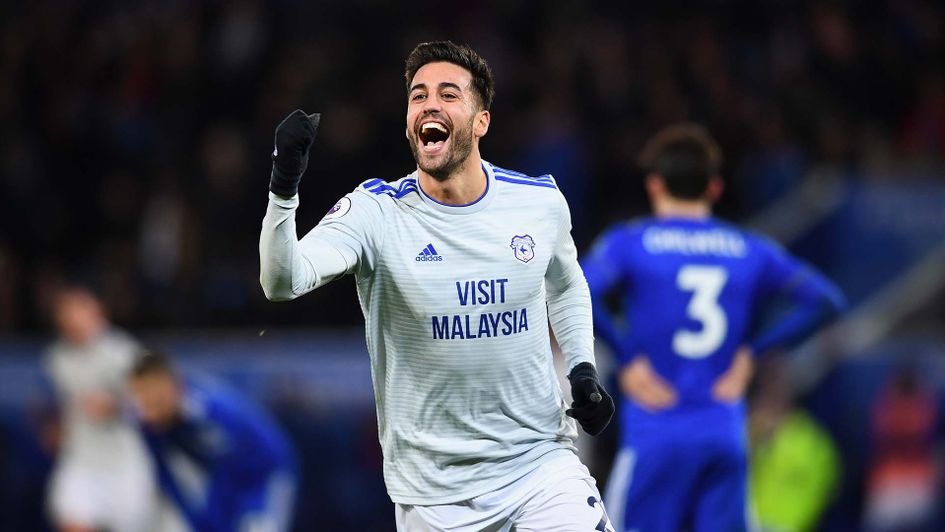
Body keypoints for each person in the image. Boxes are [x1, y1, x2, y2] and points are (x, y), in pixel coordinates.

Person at [259, 40, 616, 531]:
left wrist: (581, 369)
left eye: (448, 94)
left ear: (481, 121)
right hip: (433, 495)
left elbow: (566, 283)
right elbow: (282, 282)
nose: (430, 104)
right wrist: (283, 187)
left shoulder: (538, 202)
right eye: (418, 95)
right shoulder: (374, 213)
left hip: (539, 467)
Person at [581, 124, 845, 532]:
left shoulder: (631, 243)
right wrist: (752, 354)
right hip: (723, 431)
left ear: (654, 185)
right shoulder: (750, 248)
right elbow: (827, 301)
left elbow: (576, 289)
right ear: (714, 188)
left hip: (657, 430)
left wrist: (627, 356)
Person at [127, 350, 298, 532]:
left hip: (267, 471)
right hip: (226, 477)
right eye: (144, 401)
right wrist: (196, 521)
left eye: (157, 401)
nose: (152, 412)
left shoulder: (209, 412)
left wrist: (217, 518)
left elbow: (234, 472)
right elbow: (168, 479)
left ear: (175, 387)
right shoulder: (147, 423)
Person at [44, 287, 158, 532]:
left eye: (78, 311)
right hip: (81, 460)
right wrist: (58, 428)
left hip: (125, 464)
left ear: (96, 313)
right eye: (66, 314)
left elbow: (153, 401)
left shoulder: (125, 351)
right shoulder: (57, 357)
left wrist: (115, 405)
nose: (72, 320)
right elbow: (65, 404)